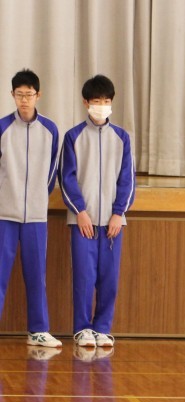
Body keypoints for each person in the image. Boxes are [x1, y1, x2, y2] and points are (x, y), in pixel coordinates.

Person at [59, 75, 135, 348]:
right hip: (83, 221)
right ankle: (82, 329)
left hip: (113, 223)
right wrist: (80, 211)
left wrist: (118, 213)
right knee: (84, 276)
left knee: (109, 278)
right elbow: (66, 177)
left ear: (111, 102)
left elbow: (127, 179)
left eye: (105, 101)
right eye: (96, 101)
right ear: (86, 103)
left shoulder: (122, 138)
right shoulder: (73, 136)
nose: (101, 105)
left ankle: (102, 328)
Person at [0, 69, 62, 348]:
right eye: (19, 94)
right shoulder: (2, 127)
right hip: (4, 215)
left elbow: (51, 171)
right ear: (12, 95)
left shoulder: (50, 130)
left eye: (29, 94)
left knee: (37, 275)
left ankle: (38, 330)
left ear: (38, 95)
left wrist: (38, 198)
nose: (24, 100)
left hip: (36, 216)